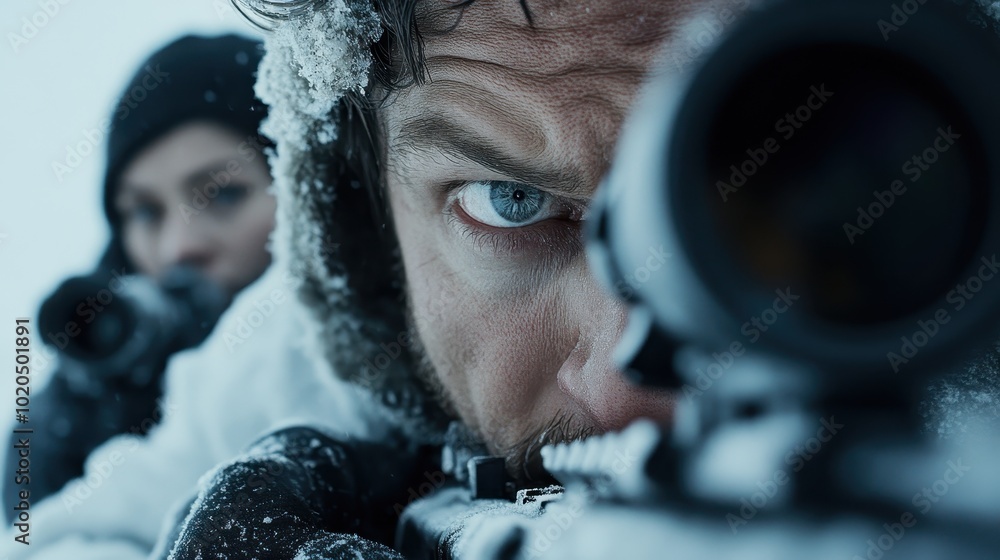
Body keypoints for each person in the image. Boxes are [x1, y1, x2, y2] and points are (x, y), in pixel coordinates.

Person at [158, 0, 1000, 557]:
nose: (627, 379)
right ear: (372, 242)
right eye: (511, 202)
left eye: (791, 194)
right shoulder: (262, 398)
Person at [2, 34, 276, 516]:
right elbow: (28, 527)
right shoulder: (88, 388)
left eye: (224, 194)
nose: (178, 247)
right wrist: (82, 414)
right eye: (146, 211)